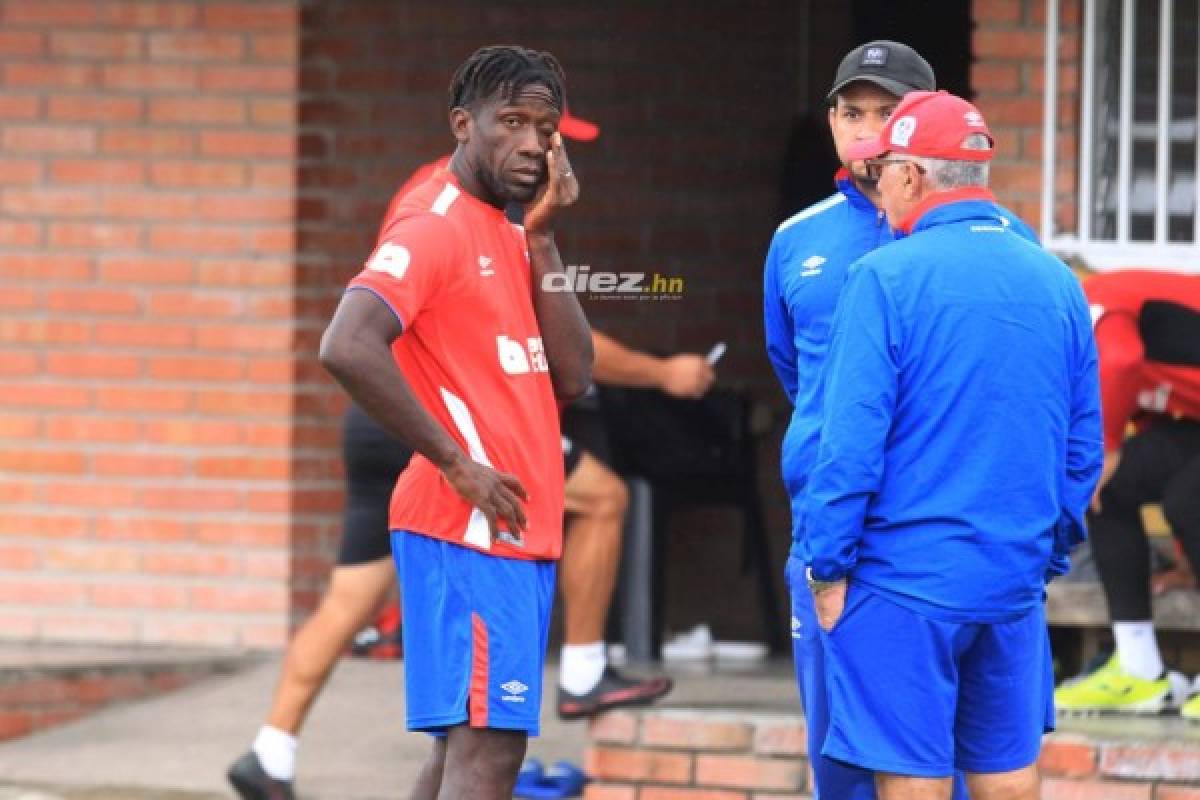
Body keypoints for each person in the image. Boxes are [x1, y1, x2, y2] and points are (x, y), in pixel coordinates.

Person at [802, 90, 1102, 800]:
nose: (879, 188)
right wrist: (1045, 552)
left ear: (910, 176)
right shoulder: (1057, 279)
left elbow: (848, 447)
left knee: (912, 778)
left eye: (884, 173)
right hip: (1010, 578)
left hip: (902, 579)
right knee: (1007, 771)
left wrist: (827, 566)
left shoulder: (882, 276)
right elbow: (1082, 447)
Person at [319, 44, 593, 800]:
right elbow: (346, 343)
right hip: (468, 529)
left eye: (544, 126)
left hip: (512, 533)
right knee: (489, 755)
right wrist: (454, 460)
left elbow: (574, 374)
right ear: (462, 125)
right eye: (511, 121)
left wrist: (541, 236)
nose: (532, 142)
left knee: (465, 754)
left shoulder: (513, 233)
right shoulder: (433, 225)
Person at [762, 40, 942, 800]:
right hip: (827, 531)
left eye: (888, 112)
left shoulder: (955, 235)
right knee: (838, 763)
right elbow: (796, 373)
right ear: (832, 121)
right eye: (852, 111)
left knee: (936, 763)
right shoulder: (795, 239)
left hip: (930, 528)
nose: (867, 129)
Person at [1053, 269, 1200, 718]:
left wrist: (1107, 445)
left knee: (1174, 497)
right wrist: (1186, 560)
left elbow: (1119, 360)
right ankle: (1139, 670)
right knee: (1107, 487)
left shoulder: (1089, 301)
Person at [556, 331, 711, 718]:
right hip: (478, 420)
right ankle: (581, 675)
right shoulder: (512, 269)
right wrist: (664, 372)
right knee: (603, 498)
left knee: (381, 563)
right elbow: (568, 343)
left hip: (428, 419)